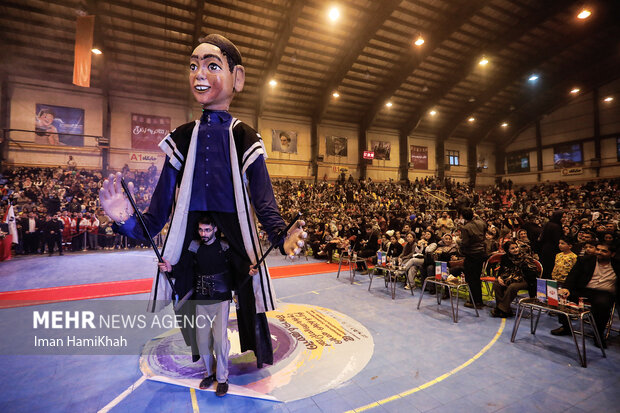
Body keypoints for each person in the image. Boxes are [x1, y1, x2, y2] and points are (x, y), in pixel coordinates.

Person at [99, 34, 305, 368]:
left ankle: (256, 351)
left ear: (237, 78)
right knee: (182, 282)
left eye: (211, 65)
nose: (199, 74)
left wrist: (282, 236)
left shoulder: (245, 136)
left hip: (235, 223)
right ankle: (203, 353)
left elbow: (263, 198)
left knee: (249, 282)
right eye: (193, 66)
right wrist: (126, 219)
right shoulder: (182, 136)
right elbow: (159, 212)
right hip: (191, 224)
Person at [158, 215, 236, 396]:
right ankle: (210, 373)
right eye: (201, 230)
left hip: (221, 300)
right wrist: (171, 269)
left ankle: (222, 378)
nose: (204, 233)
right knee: (202, 341)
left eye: (207, 230)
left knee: (219, 341)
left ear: (215, 229)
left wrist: (248, 272)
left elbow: (236, 269)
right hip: (201, 300)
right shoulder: (194, 247)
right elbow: (184, 266)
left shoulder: (224, 247)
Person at [553, 243, 619, 348]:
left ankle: (598, 335)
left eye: (604, 251)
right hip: (584, 290)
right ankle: (566, 327)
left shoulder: (617, 265)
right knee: (562, 296)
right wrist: (566, 288)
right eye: (598, 249)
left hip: (604, 292)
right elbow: (572, 275)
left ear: (612, 254)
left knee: (602, 305)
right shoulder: (585, 260)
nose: (599, 252)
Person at [489, 241, 538, 318]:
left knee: (512, 287)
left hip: (525, 280)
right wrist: (499, 278)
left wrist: (514, 277)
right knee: (496, 283)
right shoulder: (505, 258)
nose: (515, 250)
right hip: (509, 278)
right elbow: (501, 270)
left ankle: (500, 309)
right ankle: (505, 309)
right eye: (512, 248)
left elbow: (532, 275)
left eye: (516, 247)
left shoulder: (526, 258)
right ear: (507, 250)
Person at [459, 208, 488, 309]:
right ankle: (479, 300)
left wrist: (459, 244)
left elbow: (465, 243)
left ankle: (474, 302)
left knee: (471, 279)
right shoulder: (481, 223)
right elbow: (485, 227)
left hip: (471, 254)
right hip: (481, 253)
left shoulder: (465, 227)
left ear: (462, 216)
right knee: (477, 278)